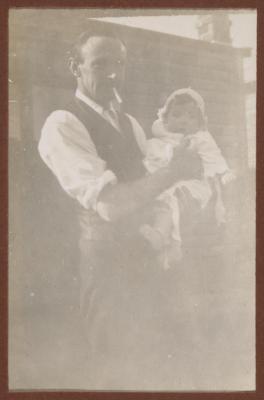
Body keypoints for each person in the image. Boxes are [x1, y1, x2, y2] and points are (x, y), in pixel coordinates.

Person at [38, 27, 203, 389]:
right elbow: (111, 205)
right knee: (120, 374)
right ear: (75, 67)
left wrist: (168, 224)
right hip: (108, 276)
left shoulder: (129, 124)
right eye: (100, 64)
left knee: (170, 367)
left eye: (120, 64)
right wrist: (174, 172)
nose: (113, 73)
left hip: (153, 264)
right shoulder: (62, 124)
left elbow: (158, 194)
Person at [140, 88, 235, 268]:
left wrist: (224, 172)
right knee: (160, 203)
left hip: (192, 185)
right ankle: (165, 247)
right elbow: (151, 157)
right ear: (165, 119)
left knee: (173, 201)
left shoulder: (199, 139)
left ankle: (162, 236)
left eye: (191, 117)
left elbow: (212, 156)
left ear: (200, 122)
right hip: (164, 182)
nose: (184, 120)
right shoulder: (158, 140)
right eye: (176, 115)